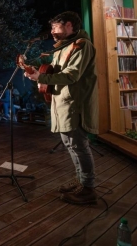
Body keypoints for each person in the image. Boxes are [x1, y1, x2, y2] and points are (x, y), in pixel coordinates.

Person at [24, 11, 98, 205]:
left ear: (68, 26)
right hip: (63, 103)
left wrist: (39, 77)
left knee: (79, 146)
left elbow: (71, 75)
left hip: (75, 104)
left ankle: (88, 188)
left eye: (55, 27)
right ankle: (81, 180)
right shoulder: (63, 47)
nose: (52, 32)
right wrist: (33, 68)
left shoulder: (82, 46)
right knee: (70, 145)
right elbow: (53, 68)